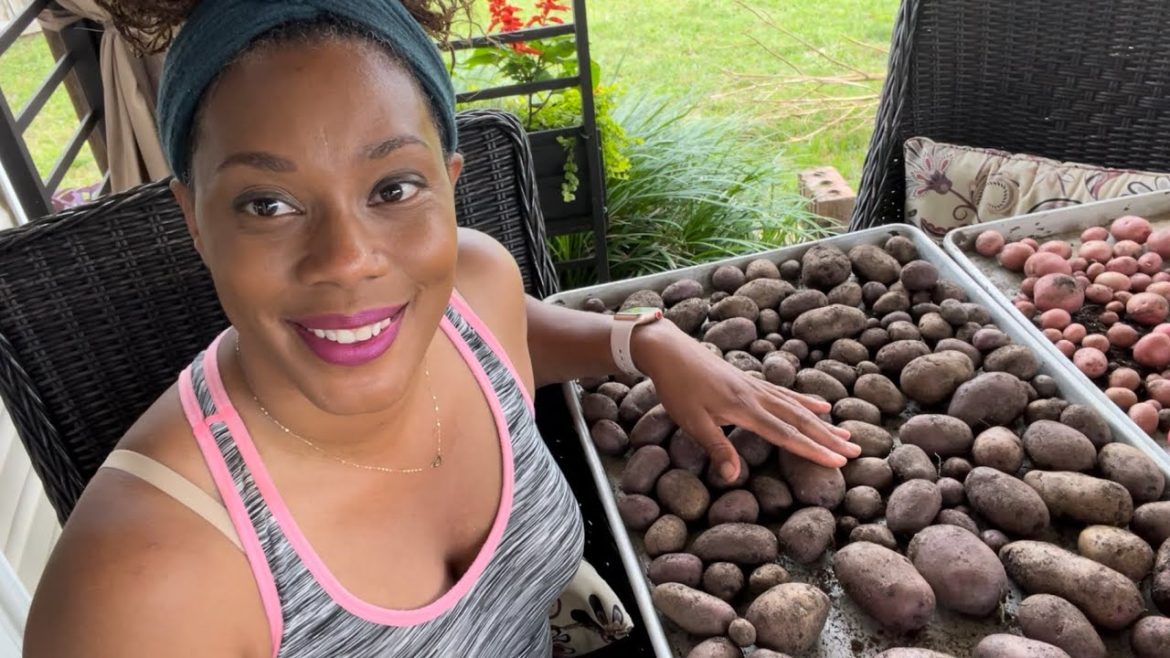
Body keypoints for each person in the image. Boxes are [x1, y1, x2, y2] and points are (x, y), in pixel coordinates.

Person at [22, 1, 858, 656]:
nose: (347, 261)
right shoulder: (136, 589)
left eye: (393, 187)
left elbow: (512, 337)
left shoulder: (473, 284)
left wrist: (642, 341)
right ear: (194, 220)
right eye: (267, 203)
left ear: (451, 183)